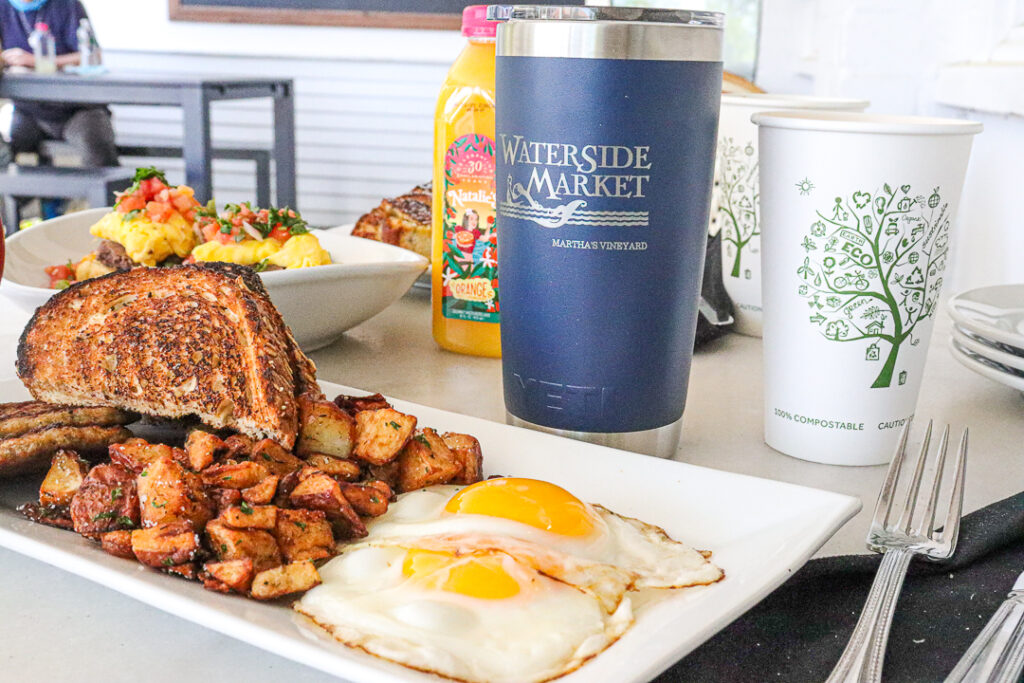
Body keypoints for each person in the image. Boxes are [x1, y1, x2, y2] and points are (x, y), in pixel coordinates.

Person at [0, 0, 117, 168]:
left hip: (77, 109)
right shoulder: (4, 7)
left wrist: (36, 61)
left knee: (98, 155)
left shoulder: (67, 5)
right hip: (30, 110)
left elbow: (92, 57)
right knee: (13, 158)